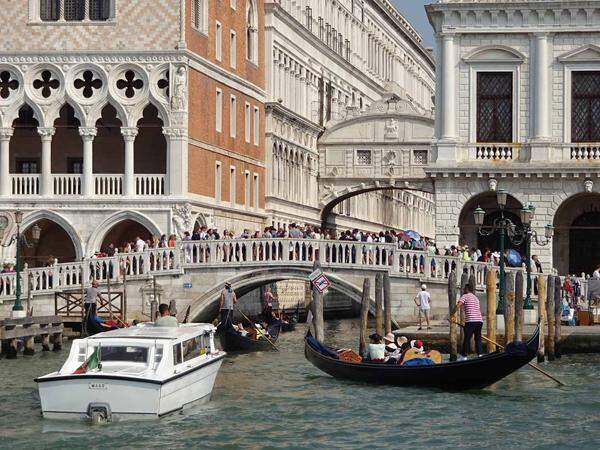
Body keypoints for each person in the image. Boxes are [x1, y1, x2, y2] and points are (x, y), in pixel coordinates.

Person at [449, 283, 483, 360]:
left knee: (467, 338)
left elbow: (458, 306)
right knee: (478, 338)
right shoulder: (476, 298)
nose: (463, 290)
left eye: (464, 289)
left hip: (471, 321)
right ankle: (480, 355)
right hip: (479, 321)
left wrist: (452, 314)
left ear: (467, 289)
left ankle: (464, 356)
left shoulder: (465, 296)